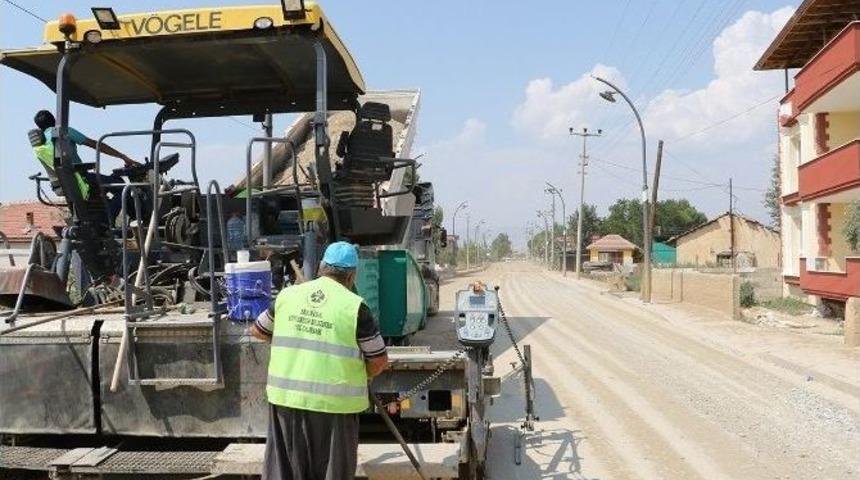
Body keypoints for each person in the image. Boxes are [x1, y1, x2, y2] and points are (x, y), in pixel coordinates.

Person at [250, 242, 388, 480]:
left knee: (284, 474)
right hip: (334, 409)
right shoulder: (354, 307)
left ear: (322, 267)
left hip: (286, 402)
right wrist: (364, 374)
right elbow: (378, 361)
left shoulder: (288, 296)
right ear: (351, 276)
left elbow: (259, 331)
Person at [31, 110, 138, 222]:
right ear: (55, 120)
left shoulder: (39, 145)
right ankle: (115, 221)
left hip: (59, 185)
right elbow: (95, 145)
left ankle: (103, 219)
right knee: (121, 185)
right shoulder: (64, 132)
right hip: (79, 179)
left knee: (110, 182)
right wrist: (122, 156)